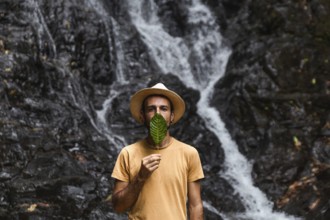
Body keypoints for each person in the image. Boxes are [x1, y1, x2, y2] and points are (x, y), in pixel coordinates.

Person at [111, 83, 204, 220]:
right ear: (142, 116)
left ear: (172, 116)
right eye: (151, 109)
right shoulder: (128, 153)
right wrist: (140, 177)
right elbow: (118, 206)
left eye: (164, 109)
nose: (158, 115)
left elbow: (195, 206)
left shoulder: (189, 153)